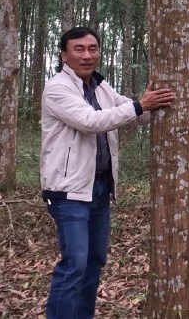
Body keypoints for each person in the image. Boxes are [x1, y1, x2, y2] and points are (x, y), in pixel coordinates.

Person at [40, 26, 175, 319]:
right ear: (64, 55)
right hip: (68, 191)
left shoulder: (100, 87)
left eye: (92, 49)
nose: (87, 55)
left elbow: (133, 112)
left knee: (94, 261)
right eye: (79, 49)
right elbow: (90, 121)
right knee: (74, 263)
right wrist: (140, 105)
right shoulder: (57, 88)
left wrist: (173, 101)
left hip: (99, 188)